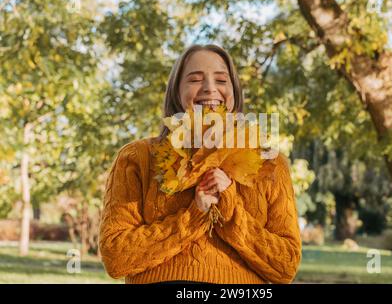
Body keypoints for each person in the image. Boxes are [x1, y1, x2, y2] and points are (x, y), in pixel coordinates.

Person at [98, 44, 302, 284]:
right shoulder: (136, 158)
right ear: (176, 92)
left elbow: (285, 266)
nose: (209, 88)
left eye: (221, 80)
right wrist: (194, 215)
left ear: (234, 92)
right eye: (195, 80)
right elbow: (116, 257)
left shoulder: (271, 164)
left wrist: (230, 212)